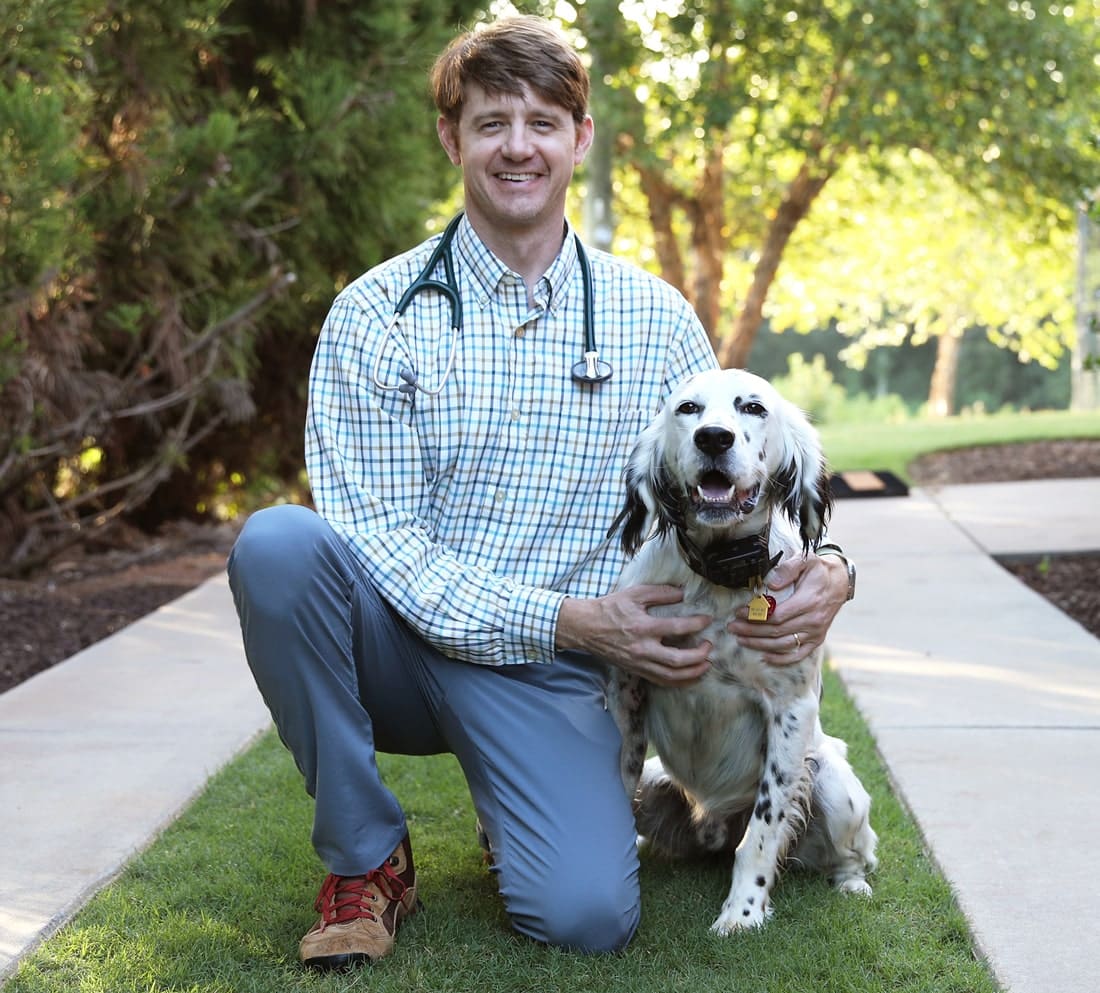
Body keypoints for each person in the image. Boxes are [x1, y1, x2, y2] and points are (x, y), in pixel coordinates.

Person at [227, 13, 852, 971]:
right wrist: (566, 617)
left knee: (585, 917)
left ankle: (516, 801)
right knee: (278, 546)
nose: (517, 146)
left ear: (579, 139)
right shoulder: (375, 315)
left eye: (542, 122)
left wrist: (833, 567)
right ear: (452, 138)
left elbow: (736, 473)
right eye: (490, 123)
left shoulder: (653, 321)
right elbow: (378, 541)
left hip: (564, 675)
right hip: (402, 641)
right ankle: (366, 856)